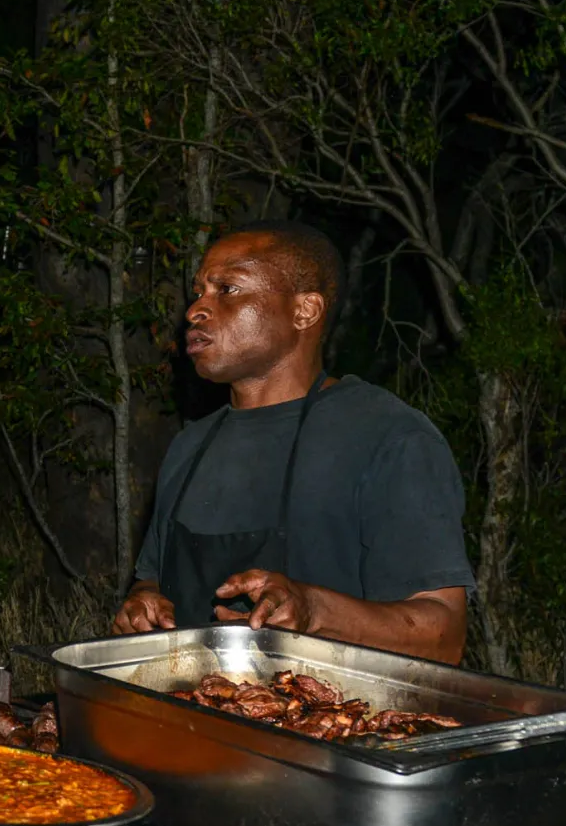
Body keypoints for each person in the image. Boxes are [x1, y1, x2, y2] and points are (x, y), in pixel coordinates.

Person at [111, 220, 473, 663]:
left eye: (227, 290)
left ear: (305, 311)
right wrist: (142, 605)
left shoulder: (388, 437)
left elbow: (443, 636)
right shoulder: (191, 446)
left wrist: (313, 611)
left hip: (331, 725)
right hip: (194, 718)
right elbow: (152, 582)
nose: (195, 311)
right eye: (199, 291)